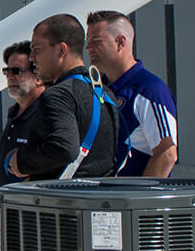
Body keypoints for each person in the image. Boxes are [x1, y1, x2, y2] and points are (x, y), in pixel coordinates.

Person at [7, 14, 119, 181]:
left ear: (61, 50)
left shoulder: (58, 95)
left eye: (36, 50)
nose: (31, 58)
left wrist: (20, 161)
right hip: (100, 199)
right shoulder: (104, 93)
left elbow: (63, 148)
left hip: (64, 202)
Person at [85, 10, 179, 178]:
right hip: (103, 199)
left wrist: (140, 199)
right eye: (88, 41)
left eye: (96, 41)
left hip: (129, 200)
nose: (88, 48)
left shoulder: (150, 90)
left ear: (121, 42)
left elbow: (167, 153)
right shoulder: (99, 88)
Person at [0, 40, 46, 186]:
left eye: (17, 71)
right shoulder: (14, 113)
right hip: (8, 202)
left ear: (38, 77)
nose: (10, 77)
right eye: (7, 71)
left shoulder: (48, 113)